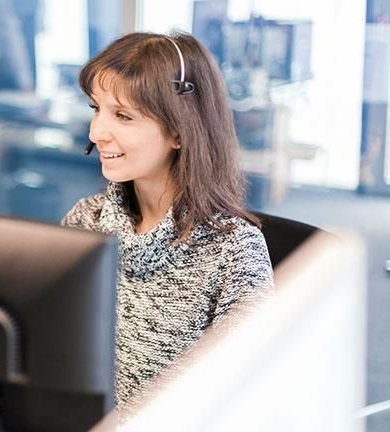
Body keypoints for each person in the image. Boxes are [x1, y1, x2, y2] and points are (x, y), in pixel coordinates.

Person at [61, 32, 274, 411]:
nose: (96, 132)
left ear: (178, 130)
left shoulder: (234, 253)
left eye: (122, 116)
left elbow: (249, 408)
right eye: (97, 108)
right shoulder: (84, 221)